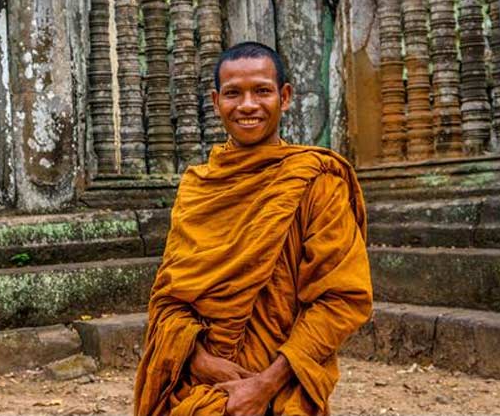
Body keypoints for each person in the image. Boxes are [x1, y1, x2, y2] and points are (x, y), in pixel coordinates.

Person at [134, 42, 373, 416]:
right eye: (233, 93)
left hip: (281, 385)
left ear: (285, 96)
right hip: (197, 385)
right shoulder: (199, 188)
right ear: (216, 102)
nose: (247, 105)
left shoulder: (317, 183)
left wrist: (264, 384)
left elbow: (341, 300)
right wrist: (199, 360)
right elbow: (169, 299)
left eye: (262, 90)